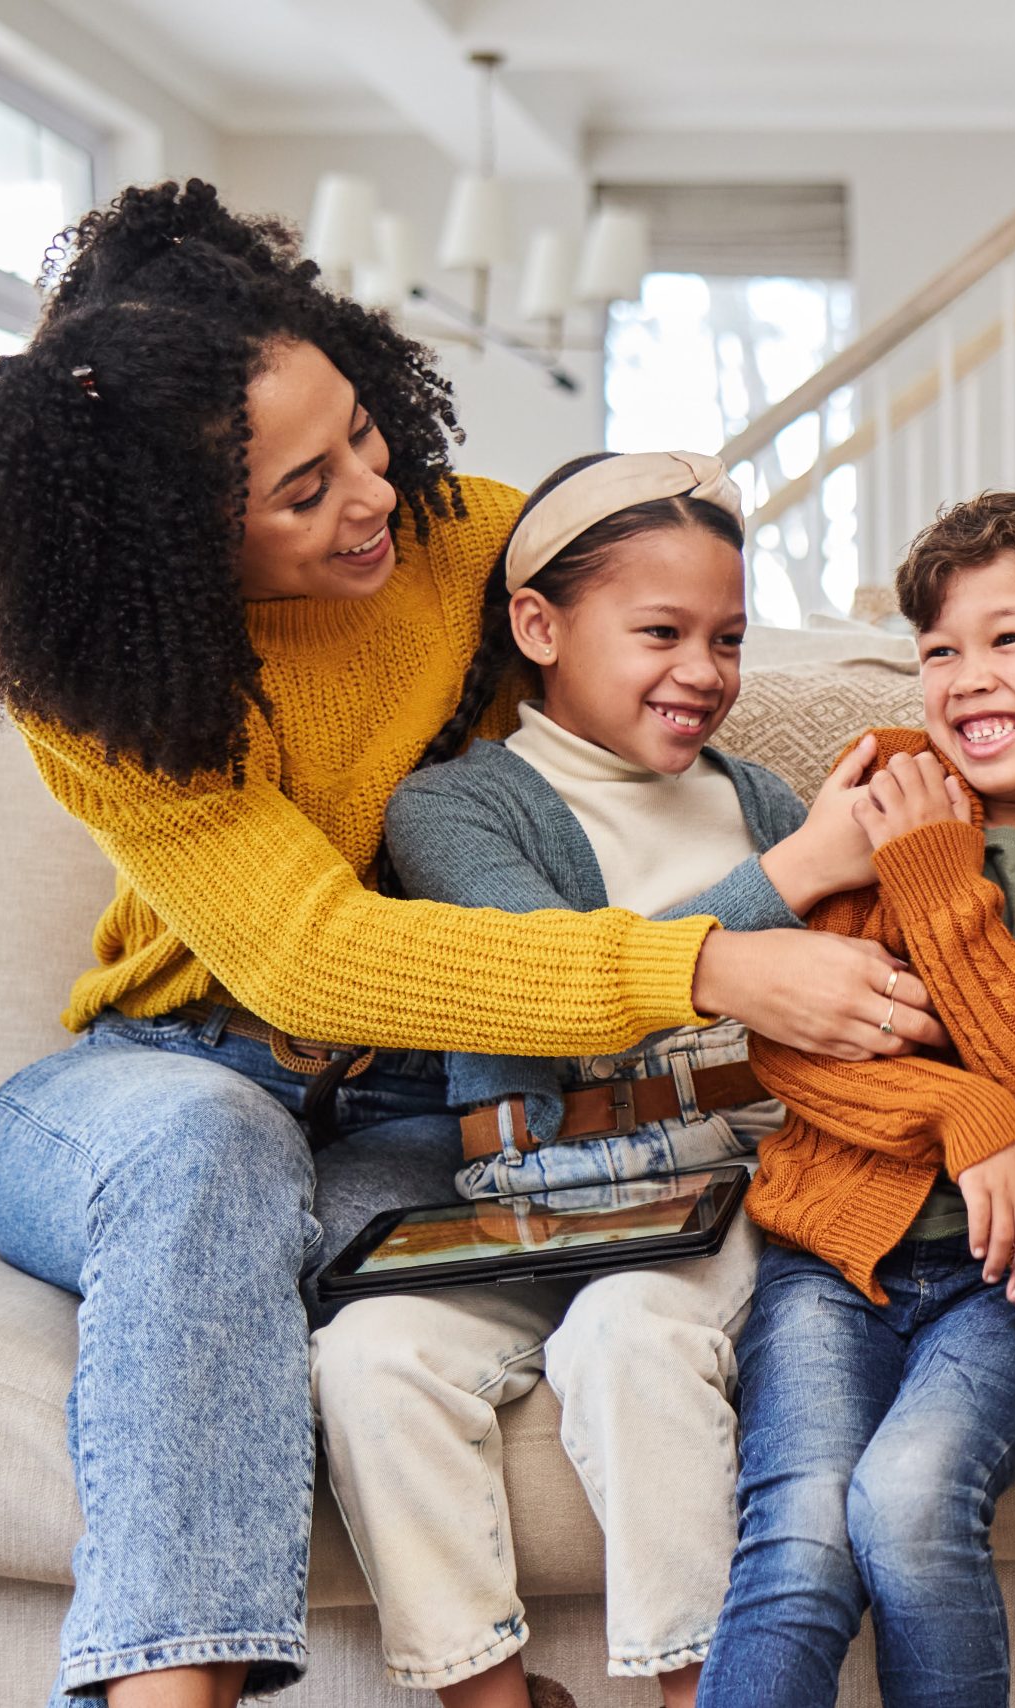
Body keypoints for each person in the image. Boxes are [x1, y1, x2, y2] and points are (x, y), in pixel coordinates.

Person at [0, 180, 941, 1708]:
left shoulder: (469, 549)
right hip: (166, 1077)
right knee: (210, 1160)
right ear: (167, 538)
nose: (373, 496)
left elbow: (615, 655)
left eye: (364, 436)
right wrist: (710, 966)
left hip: (410, 1121)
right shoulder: (101, 675)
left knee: (461, 1275)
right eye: (303, 488)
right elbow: (312, 958)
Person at [309, 449, 891, 1708]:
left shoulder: (766, 797)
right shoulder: (452, 811)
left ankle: (695, 1690)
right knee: (366, 1355)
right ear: (540, 625)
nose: (705, 673)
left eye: (728, 638)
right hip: (529, 1199)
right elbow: (557, 991)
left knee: (630, 1334)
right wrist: (789, 883)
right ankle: (493, 1699)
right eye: (661, 632)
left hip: (723, 1195)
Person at [696, 493, 1015, 1708]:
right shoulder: (888, 785)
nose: (965, 677)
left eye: (1007, 639)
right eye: (939, 648)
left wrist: (939, 889)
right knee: (800, 1546)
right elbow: (799, 1043)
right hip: (830, 1255)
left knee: (908, 1500)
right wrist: (962, 1113)